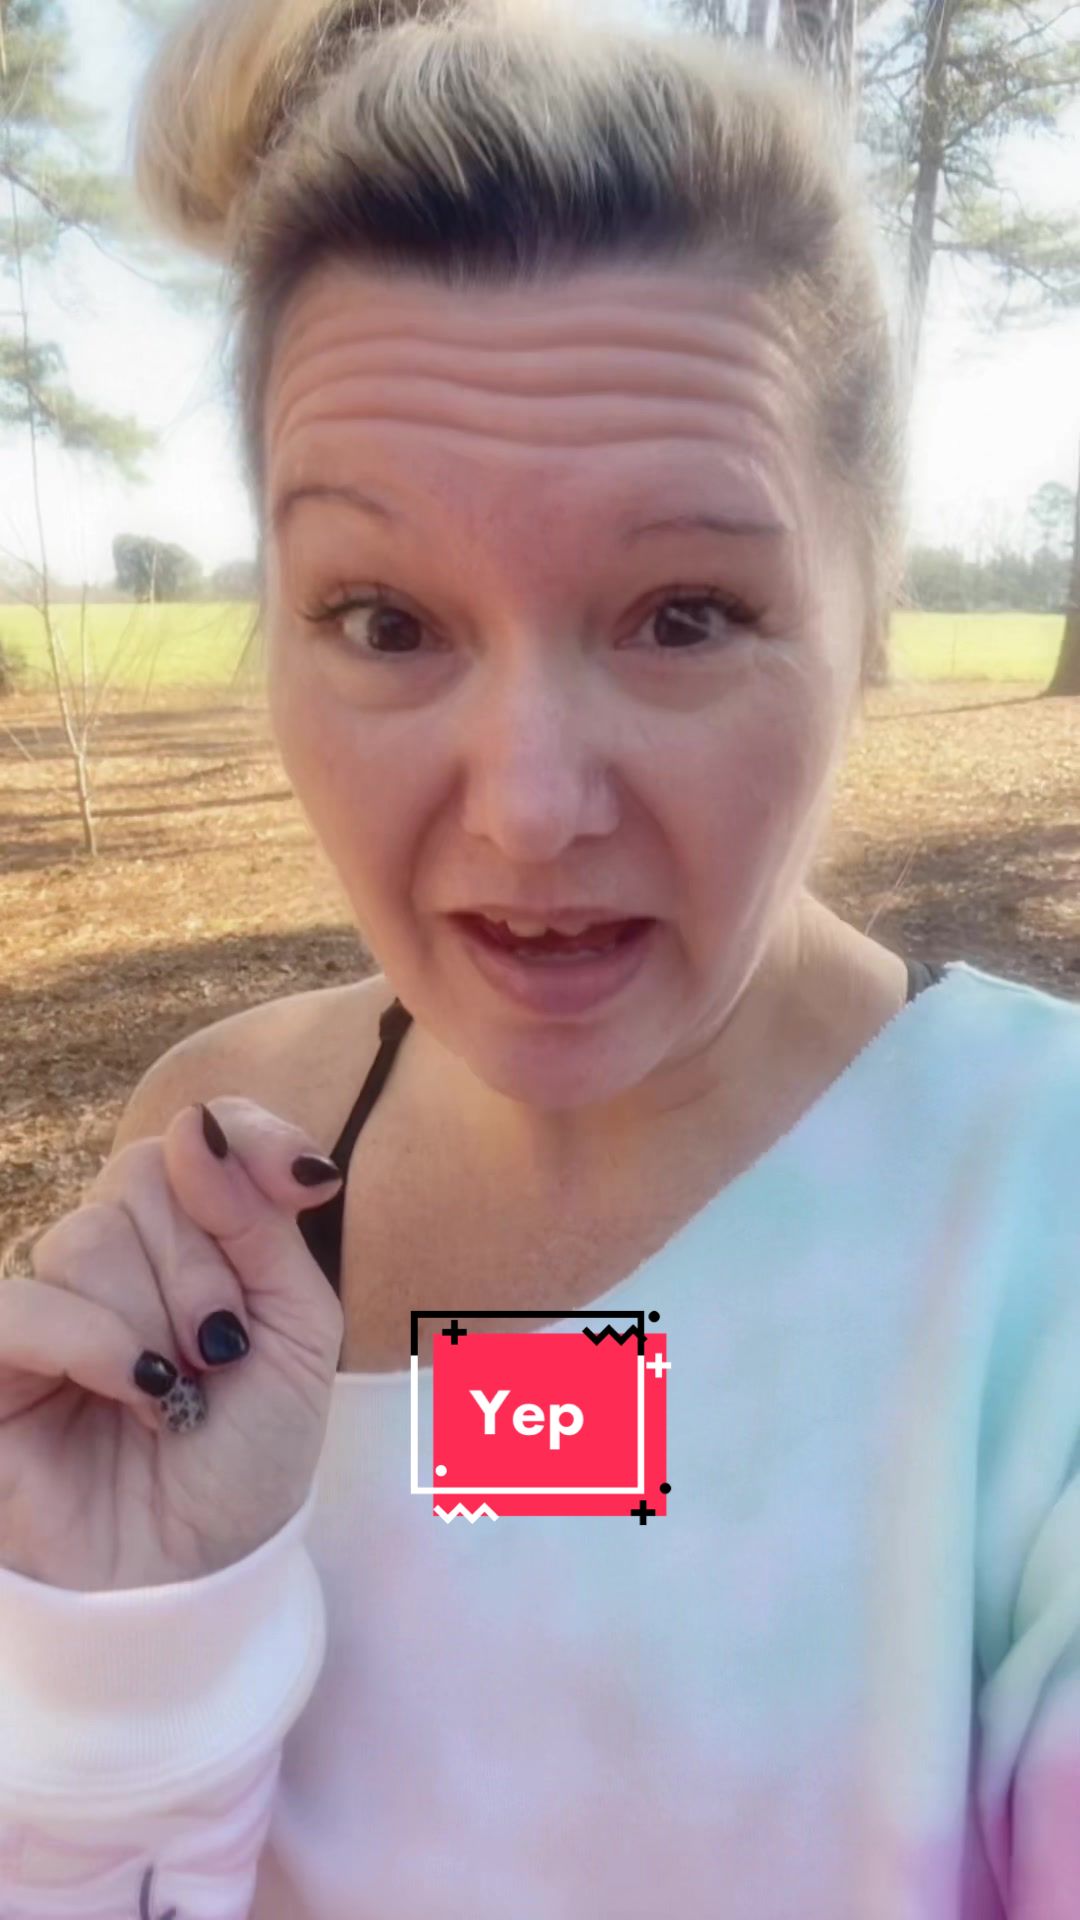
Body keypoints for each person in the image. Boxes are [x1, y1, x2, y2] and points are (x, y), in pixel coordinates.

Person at [0, 0, 1077, 1911]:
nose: (527, 810)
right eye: (385, 618)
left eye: (683, 614)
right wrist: (111, 1680)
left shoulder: (1044, 1208)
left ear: (869, 608)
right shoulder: (222, 1176)